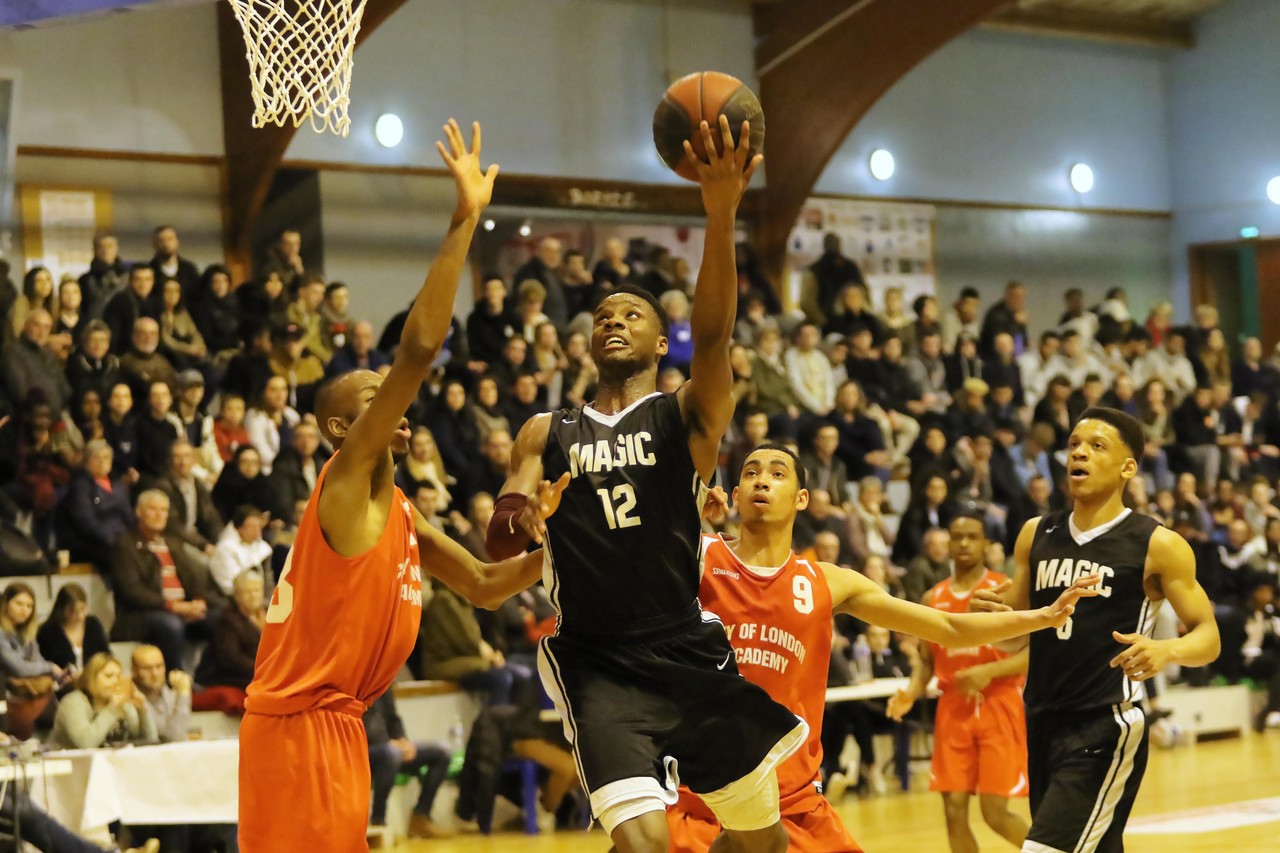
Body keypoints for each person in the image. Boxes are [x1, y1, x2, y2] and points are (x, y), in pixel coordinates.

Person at [479, 119, 811, 853]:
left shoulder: (683, 416)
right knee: (645, 844)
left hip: (685, 646)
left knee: (762, 844)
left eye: (632, 314)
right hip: (598, 661)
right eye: (603, 316)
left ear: (662, 342)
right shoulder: (545, 431)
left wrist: (720, 213)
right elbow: (498, 543)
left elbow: (715, 336)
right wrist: (526, 518)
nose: (613, 321)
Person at [239, 121, 545, 853]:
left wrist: (572, 545)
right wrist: (464, 220)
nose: (396, 407)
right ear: (342, 429)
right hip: (298, 727)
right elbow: (419, 347)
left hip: (339, 723)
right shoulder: (344, 479)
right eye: (376, 399)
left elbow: (484, 584)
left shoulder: (400, 509)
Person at [665, 445, 1095, 852]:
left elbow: (947, 627)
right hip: (701, 800)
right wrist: (681, 516)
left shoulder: (828, 581)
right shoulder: (697, 558)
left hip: (792, 802)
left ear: (801, 499)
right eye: (751, 473)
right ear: (735, 495)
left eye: (777, 474)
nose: (762, 481)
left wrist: (1042, 616)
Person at [970, 407, 1221, 853]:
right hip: (1042, 719)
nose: (1079, 453)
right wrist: (989, 619)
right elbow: (1013, 638)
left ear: (1128, 468)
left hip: (1105, 725)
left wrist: (1167, 650)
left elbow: (1209, 637)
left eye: (1096, 446)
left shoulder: (1157, 544)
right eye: (1073, 445)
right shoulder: (1035, 533)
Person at [888, 514, 1031, 853]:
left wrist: (989, 672)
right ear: (948, 544)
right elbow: (927, 661)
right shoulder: (932, 597)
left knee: (995, 814)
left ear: (986, 544)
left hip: (998, 703)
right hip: (952, 709)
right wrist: (911, 692)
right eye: (957, 536)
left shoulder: (1005, 588)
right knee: (953, 811)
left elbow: (1035, 653)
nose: (964, 543)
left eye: (972, 536)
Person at [109, 490, 220, 671]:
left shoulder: (172, 543)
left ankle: (210, 676)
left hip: (180, 608)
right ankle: (174, 677)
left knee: (221, 617)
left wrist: (198, 602)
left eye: (164, 510)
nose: (159, 515)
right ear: (139, 512)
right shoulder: (125, 545)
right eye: (153, 509)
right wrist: (173, 606)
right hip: (140, 615)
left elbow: (193, 580)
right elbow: (133, 592)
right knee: (170, 625)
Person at [364, 689, 453, 839]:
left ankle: (421, 816)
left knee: (441, 753)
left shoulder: (383, 682)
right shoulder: (353, 684)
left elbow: (393, 718)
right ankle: (378, 820)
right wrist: (387, 743)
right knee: (391, 753)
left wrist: (403, 740)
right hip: (363, 751)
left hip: (389, 747)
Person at [48, 652, 157, 748]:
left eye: (118, 676)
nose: (115, 681)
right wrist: (112, 710)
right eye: (109, 676)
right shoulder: (73, 702)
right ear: (92, 678)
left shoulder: (123, 704)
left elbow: (150, 742)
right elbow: (85, 743)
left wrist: (142, 711)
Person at [194, 569, 265, 714]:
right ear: (237, 595)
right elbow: (231, 658)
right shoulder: (227, 620)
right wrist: (261, 670)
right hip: (234, 674)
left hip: (260, 671)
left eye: (256, 590)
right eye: (247, 592)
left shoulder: (269, 614)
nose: (253, 596)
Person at [0, 582, 64, 737]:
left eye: (29, 606)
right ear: (6, 604)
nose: (25, 610)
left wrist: (52, 672)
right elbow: (20, 668)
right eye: (19, 604)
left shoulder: (27, 633)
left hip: (22, 694)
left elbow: (36, 661)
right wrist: (50, 668)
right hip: (5, 694)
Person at [37, 583, 110, 687]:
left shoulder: (93, 624)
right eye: (74, 611)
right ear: (62, 609)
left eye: (83, 609)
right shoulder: (48, 631)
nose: (80, 616)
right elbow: (44, 665)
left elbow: (105, 655)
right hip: (62, 686)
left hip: (93, 684)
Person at [130, 644, 192, 743]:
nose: (155, 673)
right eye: (147, 668)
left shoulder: (173, 695)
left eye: (159, 666)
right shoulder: (130, 698)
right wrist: (183, 693)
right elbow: (172, 737)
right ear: (134, 670)